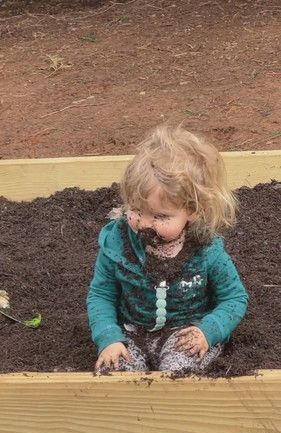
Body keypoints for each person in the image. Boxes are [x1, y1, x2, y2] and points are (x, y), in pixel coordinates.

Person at [86, 124, 249, 373]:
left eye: (161, 216)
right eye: (136, 211)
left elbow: (234, 297)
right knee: (114, 370)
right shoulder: (116, 245)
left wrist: (209, 330)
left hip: (185, 334)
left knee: (179, 371)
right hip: (131, 333)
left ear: (193, 211)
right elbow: (101, 295)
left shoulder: (206, 250)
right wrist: (109, 338)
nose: (144, 224)